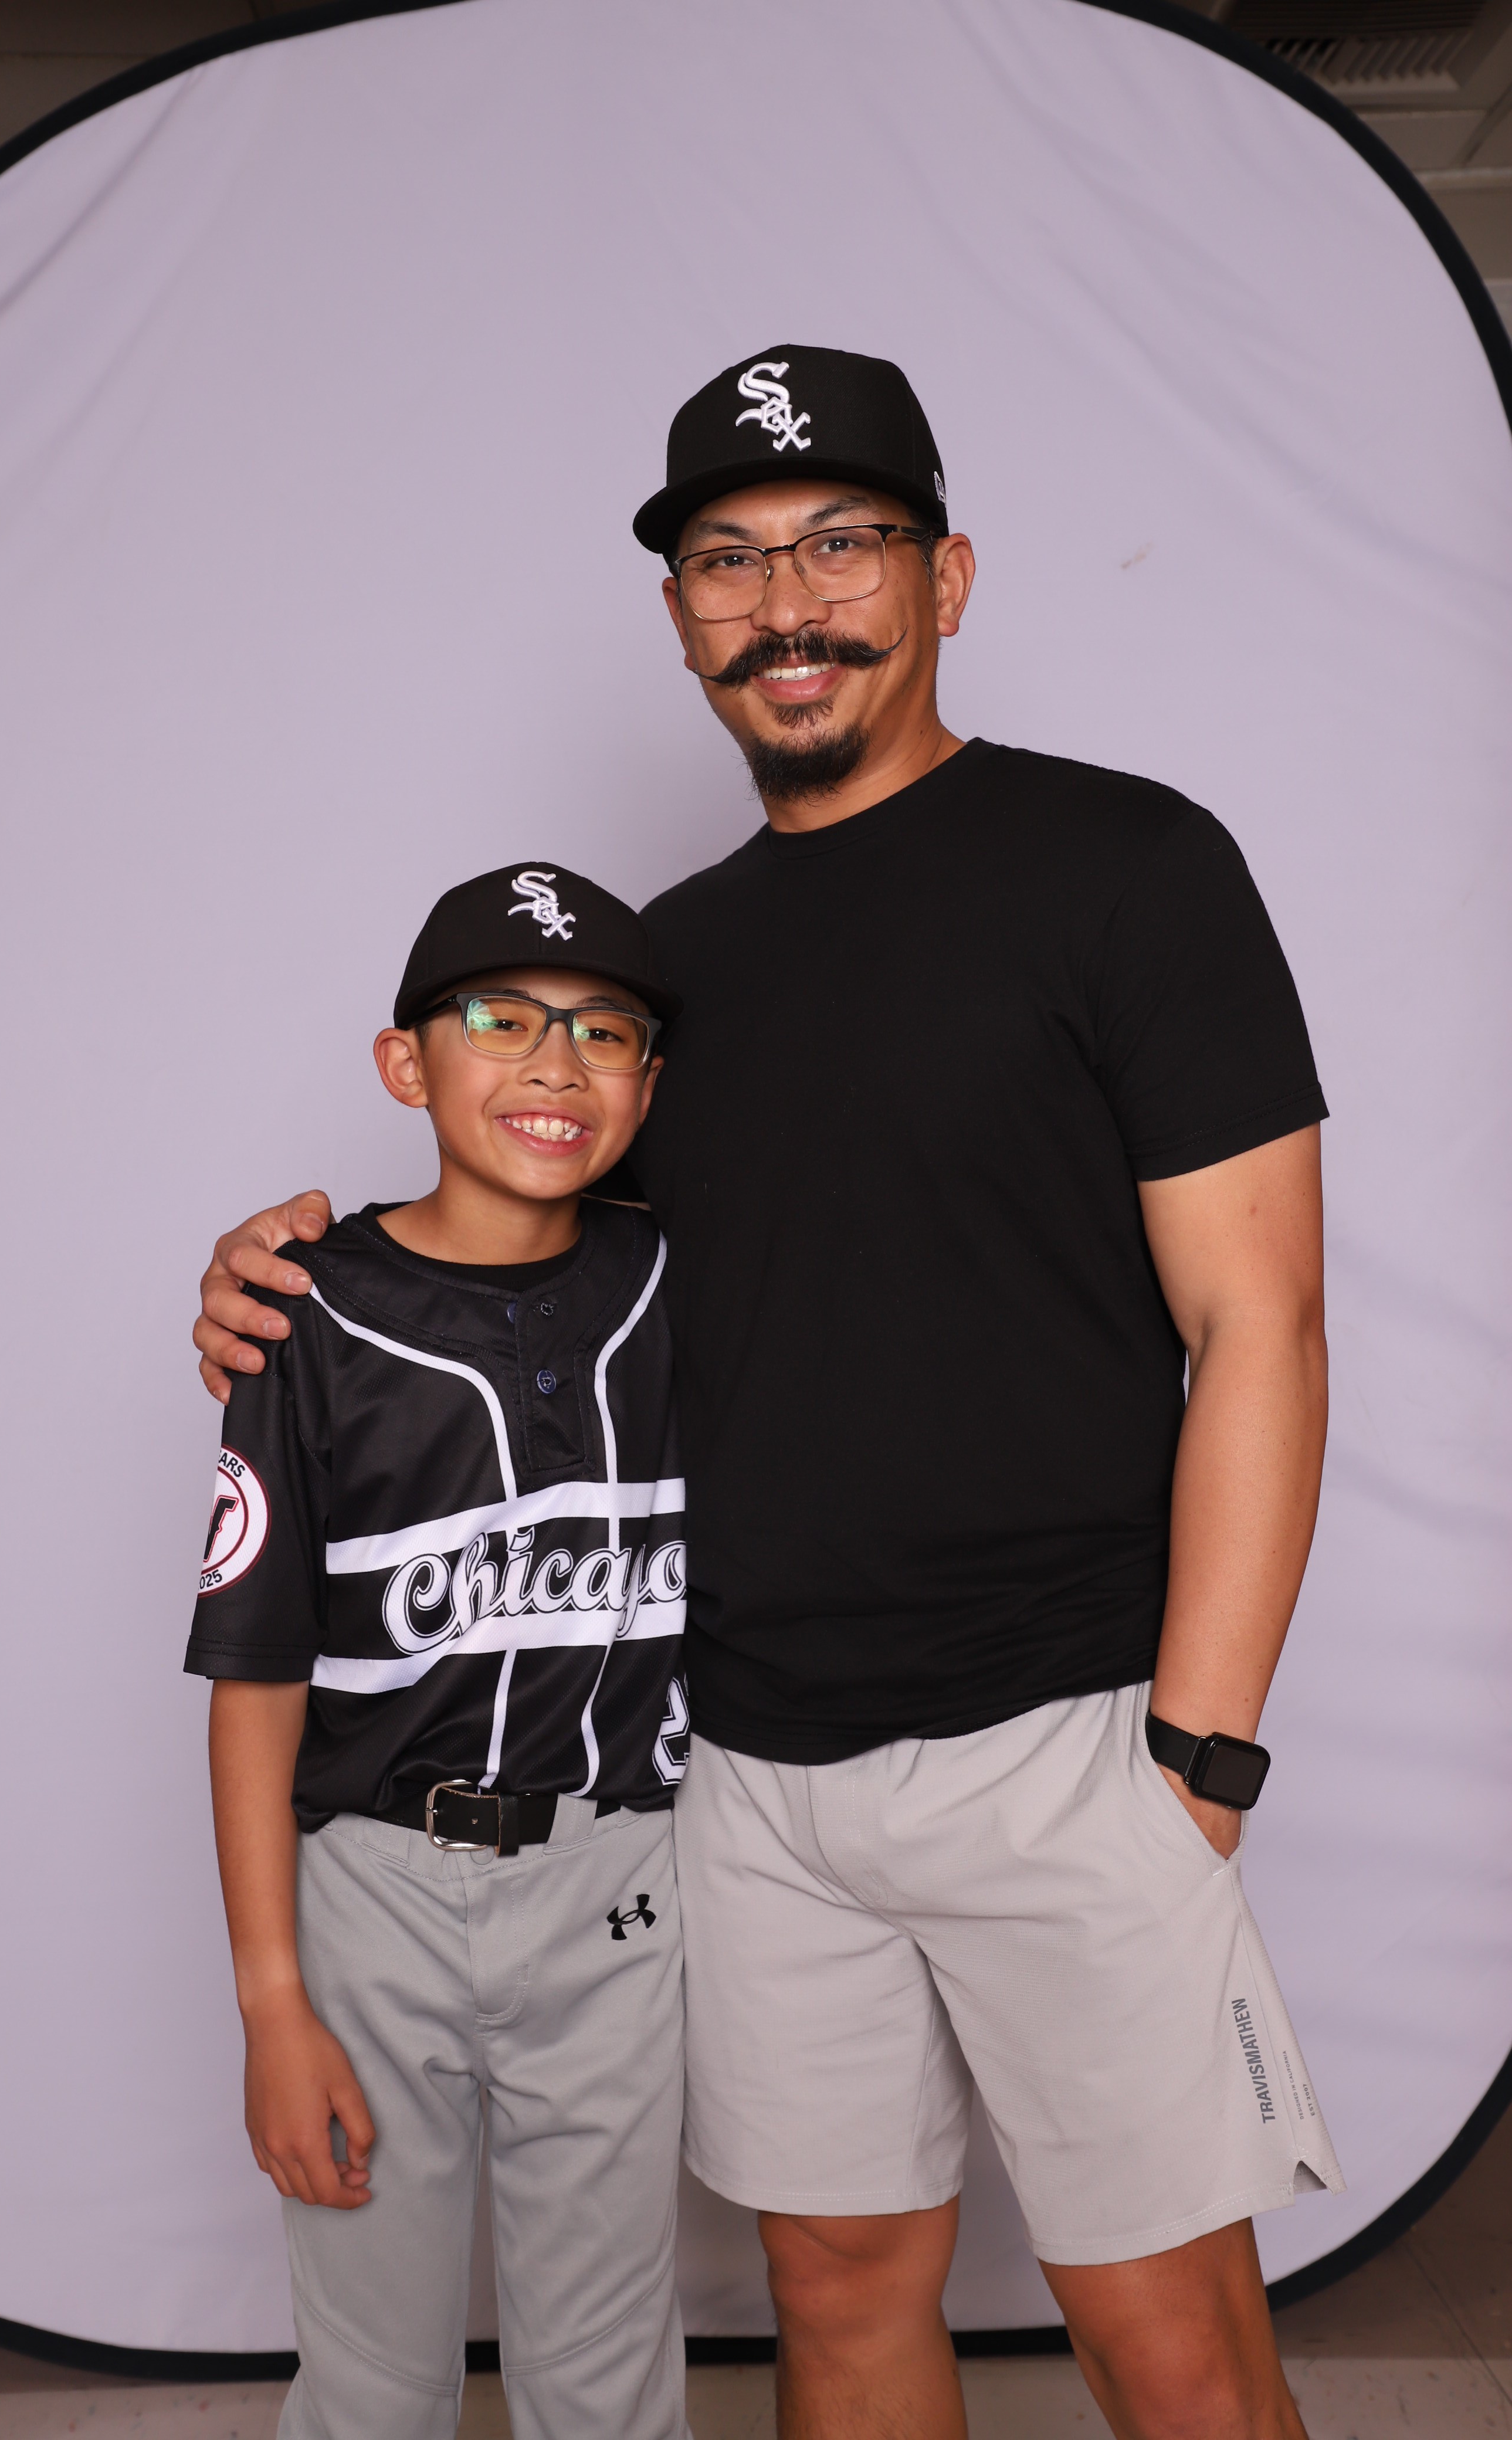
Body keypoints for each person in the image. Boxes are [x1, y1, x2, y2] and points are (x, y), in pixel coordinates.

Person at [194, 347, 1342, 2440]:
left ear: (946, 576)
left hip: (1065, 1732)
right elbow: (524, 1246)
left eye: (841, 544)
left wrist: (1200, 1756)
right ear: (680, 617)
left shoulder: (1130, 864)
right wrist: (290, 1276)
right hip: (742, 1769)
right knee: (836, 2290)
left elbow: (1262, 1321)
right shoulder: (668, 980)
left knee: (1167, 2330)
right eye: (729, 560)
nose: (785, 603)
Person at [188, 863, 691, 2440]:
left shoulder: (687, 1276)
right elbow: (257, 1680)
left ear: (650, 1082)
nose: (556, 1064)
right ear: (406, 1064)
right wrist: (272, 2002)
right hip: (373, 1891)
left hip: (622, 1879)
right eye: (501, 1019)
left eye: (604, 1031)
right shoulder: (303, 1311)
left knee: (607, 2380)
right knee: (375, 2384)